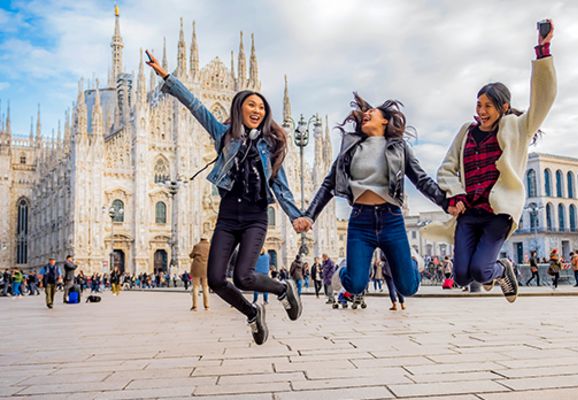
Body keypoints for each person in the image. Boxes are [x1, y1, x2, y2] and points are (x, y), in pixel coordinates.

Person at [146, 50, 304, 346]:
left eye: (261, 106)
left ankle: (283, 290)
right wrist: (167, 77)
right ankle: (252, 314)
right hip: (228, 215)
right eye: (250, 104)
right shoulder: (223, 135)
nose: (256, 110)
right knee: (216, 279)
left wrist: (296, 217)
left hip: (256, 216)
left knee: (244, 277)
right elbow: (195, 106)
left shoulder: (270, 146)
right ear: (239, 109)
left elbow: (280, 187)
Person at [431, 20, 556, 303]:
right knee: (462, 276)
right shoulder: (466, 132)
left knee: (480, 268)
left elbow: (544, 100)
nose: (481, 111)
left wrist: (543, 51)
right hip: (470, 213)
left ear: (504, 107)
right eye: (479, 105)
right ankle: (492, 272)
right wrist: (457, 193)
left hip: (497, 213)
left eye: (488, 105)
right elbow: (447, 168)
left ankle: (502, 269)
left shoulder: (517, 127)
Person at [299, 93, 449, 303]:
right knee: (355, 284)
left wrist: (446, 203)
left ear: (385, 120)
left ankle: (413, 260)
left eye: (372, 112)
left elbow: (421, 179)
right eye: (364, 113)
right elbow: (328, 184)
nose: (366, 114)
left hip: (391, 219)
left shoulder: (398, 147)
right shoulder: (350, 148)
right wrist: (309, 215)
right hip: (361, 220)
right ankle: (345, 267)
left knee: (409, 287)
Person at [190, 238, 210, 311]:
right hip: (205, 269)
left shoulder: (197, 246)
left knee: (195, 287)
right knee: (205, 288)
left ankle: (195, 306)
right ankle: (207, 306)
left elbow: (191, 255)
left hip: (196, 269)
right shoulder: (209, 246)